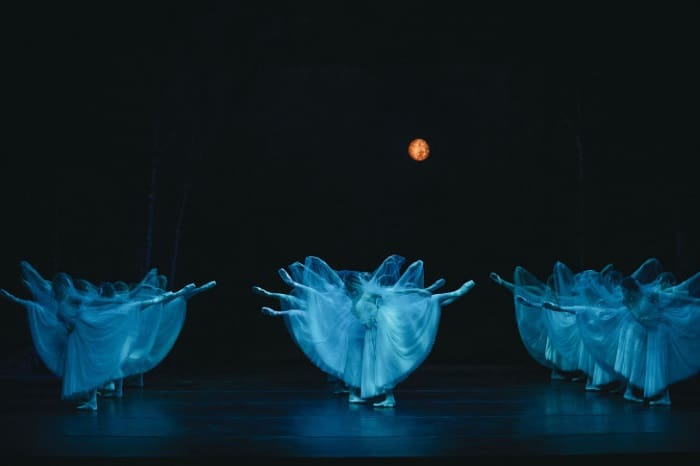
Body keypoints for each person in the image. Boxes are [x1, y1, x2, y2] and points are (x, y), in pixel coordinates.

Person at [253, 254, 474, 408]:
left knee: (413, 317)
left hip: (379, 333)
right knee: (368, 367)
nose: (356, 284)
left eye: (358, 281)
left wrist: (429, 290)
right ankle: (362, 394)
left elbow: (399, 292)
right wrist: (291, 285)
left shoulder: (370, 293)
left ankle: (456, 292)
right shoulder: (352, 299)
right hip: (366, 335)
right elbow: (318, 296)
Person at [1, 261, 216, 411]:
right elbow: (43, 285)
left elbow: (105, 301)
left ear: (64, 285)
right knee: (89, 367)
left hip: (88, 329)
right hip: (78, 336)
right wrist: (26, 279)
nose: (57, 287)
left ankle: (180, 294)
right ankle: (92, 400)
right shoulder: (58, 296)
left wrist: (141, 286)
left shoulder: (74, 297)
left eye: (60, 284)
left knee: (133, 307)